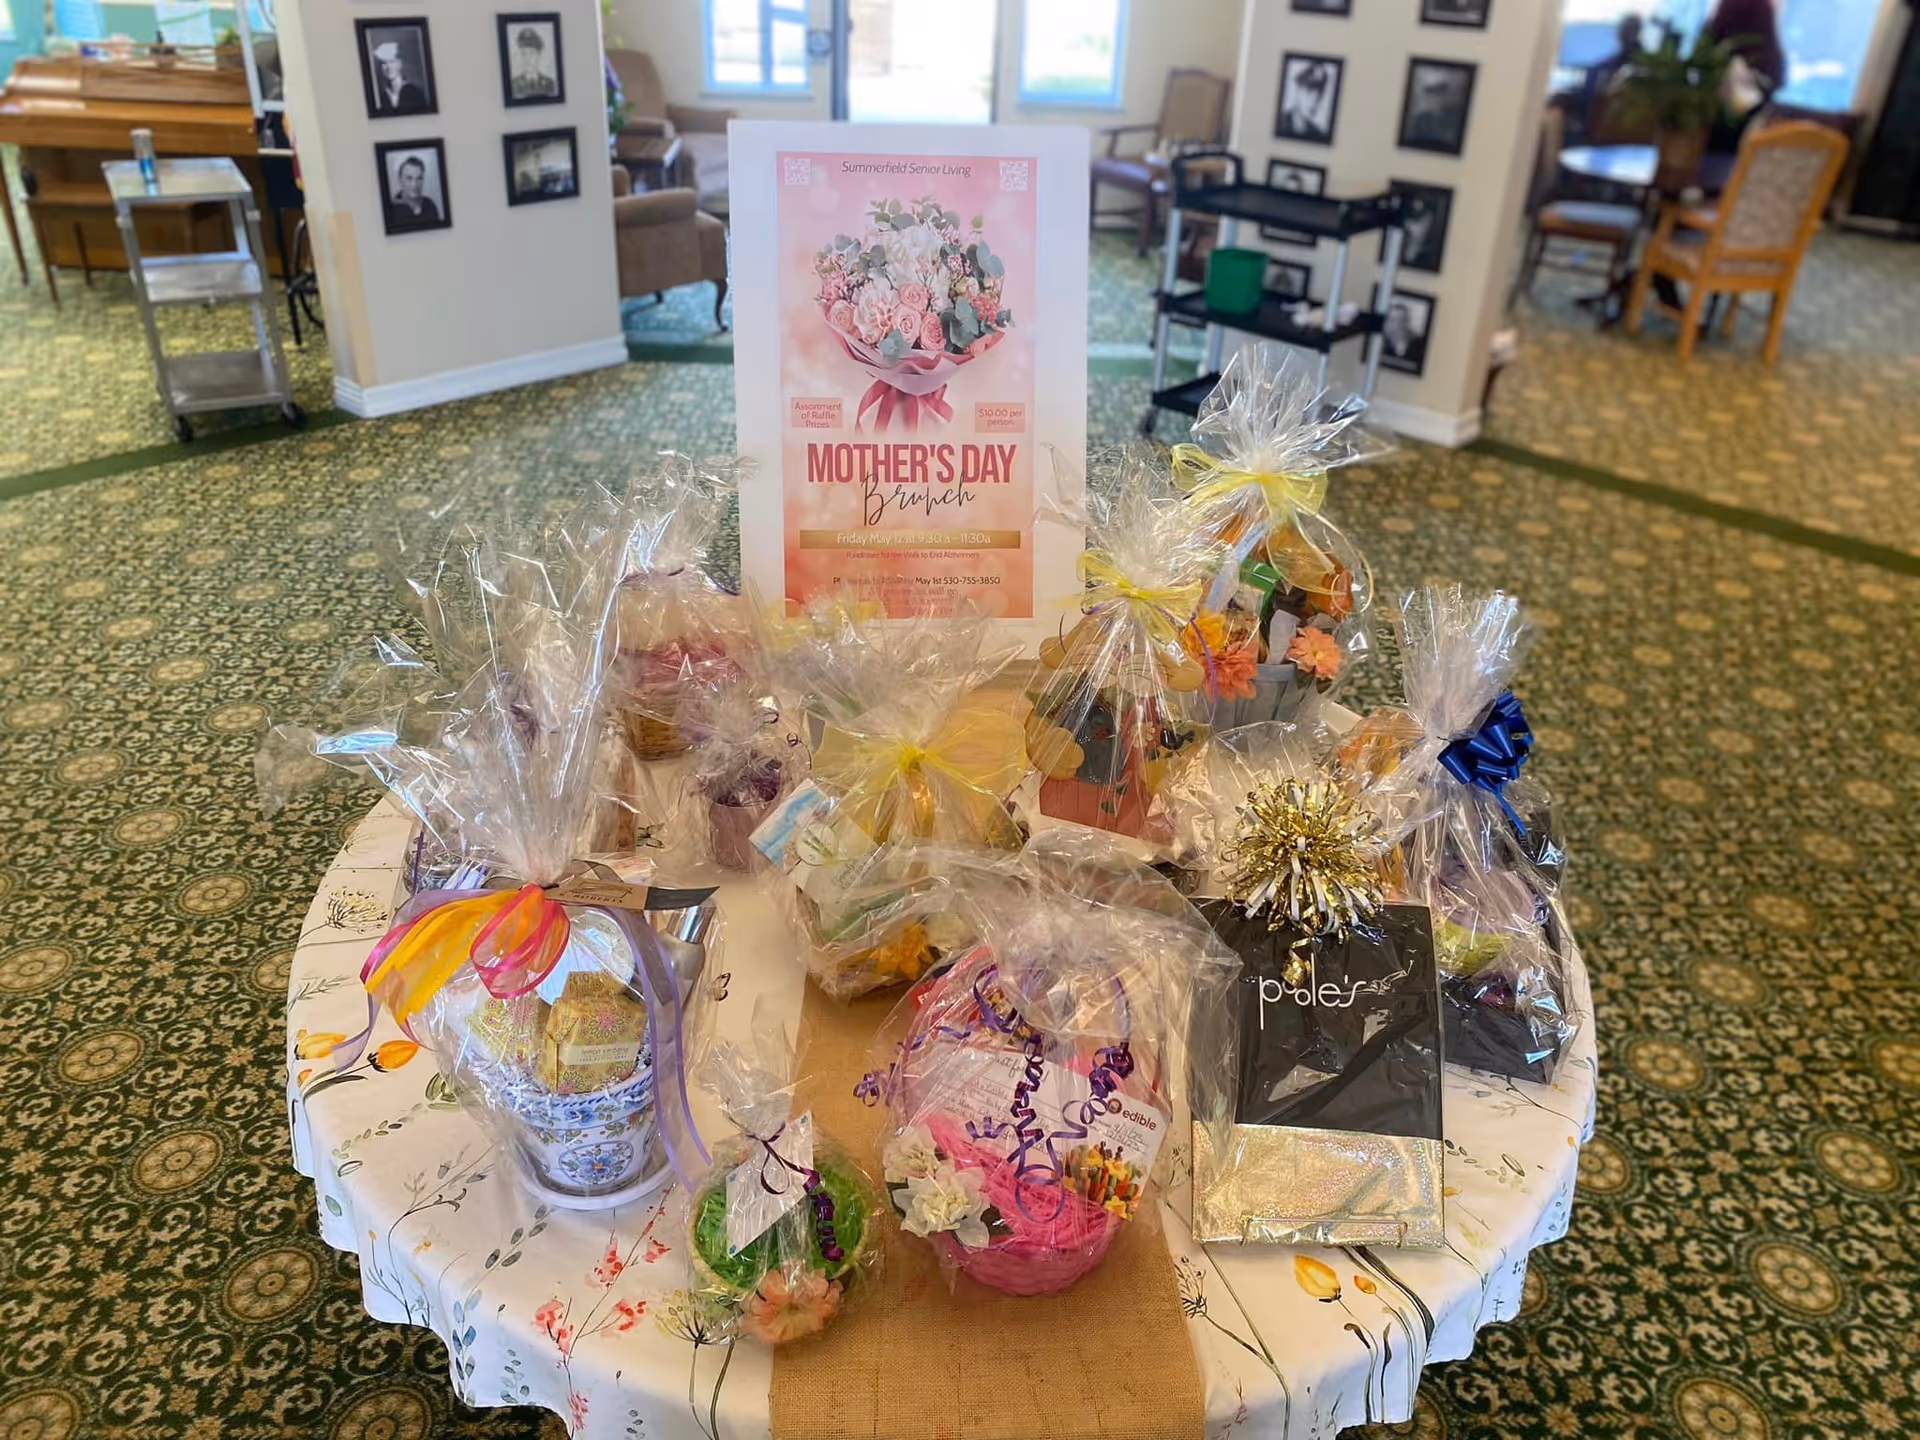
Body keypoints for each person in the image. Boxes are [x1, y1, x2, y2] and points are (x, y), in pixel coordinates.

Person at [372, 39, 426, 112]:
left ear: (399, 64)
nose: (388, 67)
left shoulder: (414, 92)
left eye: (392, 62)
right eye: (384, 63)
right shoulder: (381, 97)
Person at [390, 155, 440, 225]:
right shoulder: (391, 210)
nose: (415, 185)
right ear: (400, 180)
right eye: (409, 178)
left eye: (419, 178)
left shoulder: (430, 205)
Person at [511, 26, 558, 99]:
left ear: (539, 55)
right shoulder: (513, 84)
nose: (527, 59)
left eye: (531, 54)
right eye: (523, 54)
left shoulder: (549, 83)